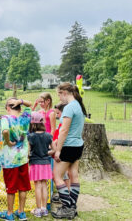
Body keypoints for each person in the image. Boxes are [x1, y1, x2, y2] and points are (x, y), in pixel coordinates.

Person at [51, 83, 86, 219]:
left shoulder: (69, 107)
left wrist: (58, 150)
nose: (59, 99)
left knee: (57, 176)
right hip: (78, 145)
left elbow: (64, 130)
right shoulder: (78, 105)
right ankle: (72, 207)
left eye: (59, 95)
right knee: (73, 175)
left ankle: (67, 208)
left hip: (68, 146)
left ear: (64, 92)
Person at [0, 98, 32, 221]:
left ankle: (10, 213)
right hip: (23, 158)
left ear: (7, 108)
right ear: (19, 107)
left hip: (9, 159)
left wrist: (8, 142)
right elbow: (30, 104)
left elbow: (5, 131)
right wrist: (21, 101)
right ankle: (21, 212)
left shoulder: (6, 118)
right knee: (23, 186)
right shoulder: (25, 117)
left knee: (11, 187)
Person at [28, 112, 55, 218]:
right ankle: (44, 209)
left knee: (37, 186)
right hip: (46, 164)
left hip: (35, 164)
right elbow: (54, 149)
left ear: (33, 124)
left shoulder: (31, 136)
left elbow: (28, 151)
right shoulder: (48, 135)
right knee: (44, 185)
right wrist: (45, 153)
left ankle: (38, 209)